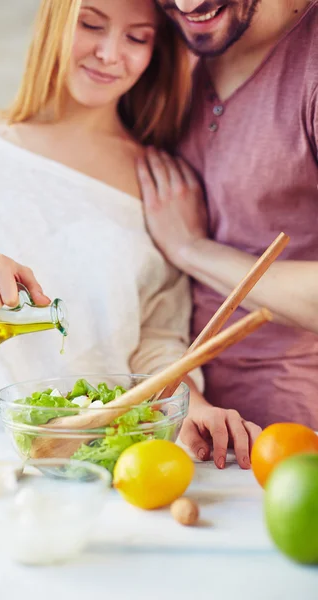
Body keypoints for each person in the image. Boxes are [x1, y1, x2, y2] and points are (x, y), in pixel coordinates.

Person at [0, 0, 220, 455]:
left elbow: (158, 337)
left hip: (103, 457)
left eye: (137, 38)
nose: (109, 53)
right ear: (55, 19)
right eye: (92, 24)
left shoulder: (160, 180)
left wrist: (189, 404)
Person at [134, 0, 318, 459]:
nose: (189, 3)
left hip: (285, 439)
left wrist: (191, 248)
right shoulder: (171, 43)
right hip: (172, 423)